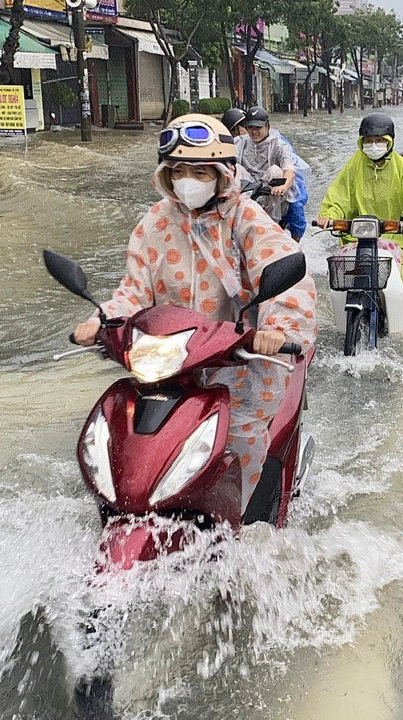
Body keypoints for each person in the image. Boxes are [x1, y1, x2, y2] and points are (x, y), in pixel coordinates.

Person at [73, 113, 317, 513]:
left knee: (240, 441)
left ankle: (242, 520)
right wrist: (103, 321)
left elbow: (286, 271)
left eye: (201, 171)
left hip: (242, 359)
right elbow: (134, 289)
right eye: (179, 170)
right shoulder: (154, 223)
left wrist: (276, 327)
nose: (189, 179)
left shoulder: (246, 218)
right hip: (170, 361)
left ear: (222, 172)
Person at [316, 113, 403, 329]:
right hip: (360, 236)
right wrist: (329, 215)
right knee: (347, 275)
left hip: (399, 237)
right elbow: (339, 196)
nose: (374, 145)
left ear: (389, 141)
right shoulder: (353, 167)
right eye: (369, 141)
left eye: (379, 140)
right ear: (361, 142)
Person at [234, 106, 297, 233]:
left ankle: (271, 225)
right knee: (235, 168)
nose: (254, 132)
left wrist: (283, 186)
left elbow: (289, 170)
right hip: (247, 191)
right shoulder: (238, 142)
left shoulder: (279, 145)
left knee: (274, 170)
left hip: (272, 193)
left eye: (258, 128)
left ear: (267, 126)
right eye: (250, 128)